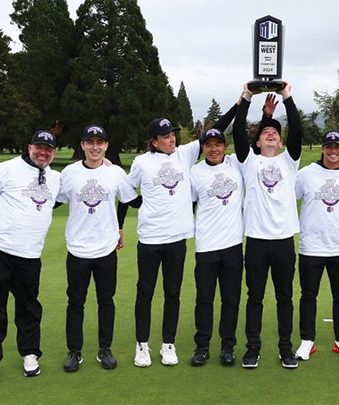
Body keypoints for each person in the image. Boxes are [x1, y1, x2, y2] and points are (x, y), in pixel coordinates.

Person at [0, 130, 61, 384]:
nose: (43, 152)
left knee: (29, 308)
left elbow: (47, 204)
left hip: (31, 254)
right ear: (29, 147)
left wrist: (106, 164)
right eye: (39, 147)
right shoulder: (5, 169)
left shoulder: (55, 179)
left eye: (49, 149)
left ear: (54, 152)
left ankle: (30, 353)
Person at [56, 125, 138, 372]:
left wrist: (120, 228)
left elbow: (131, 200)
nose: (95, 147)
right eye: (89, 142)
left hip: (106, 250)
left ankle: (105, 349)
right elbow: (53, 202)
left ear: (106, 146)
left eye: (99, 142)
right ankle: (75, 351)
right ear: (82, 145)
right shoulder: (69, 173)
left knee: (106, 301)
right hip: (78, 250)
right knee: (75, 303)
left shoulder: (115, 173)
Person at [232, 82, 302, 369]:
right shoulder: (249, 163)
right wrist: (247, 97)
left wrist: (287, 97)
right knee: (255, 298)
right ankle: (253, 348)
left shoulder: (290, 161)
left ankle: (286, 349)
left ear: (281, 142)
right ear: (257, 142)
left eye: (275, 133)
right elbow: (237, 132)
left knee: (285, 297)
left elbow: (297, 129)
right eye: (265, 133)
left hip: (284, 240)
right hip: (257, 241)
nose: (270, 134)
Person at [126, 117, 200, 367]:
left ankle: (168, 343)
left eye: (173, 135)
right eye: (167, 136)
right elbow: (127, 193)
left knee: (173, 293)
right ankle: (142, 345)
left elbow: (217, 129)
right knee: (145, 292)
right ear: (154, 141)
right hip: (150, 239)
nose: (172, 139)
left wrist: (242, 99)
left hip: (177, 239)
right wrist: (138, 207)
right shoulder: (141, 162)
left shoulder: (184, 154)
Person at [294, 130, 339, 362]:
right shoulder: (305, 174)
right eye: (329, 147)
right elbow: (286, 199)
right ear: (322, 149)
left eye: (338, 147)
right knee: (308, 295)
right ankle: (307, 341)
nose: (333, 151)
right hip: (311, 246)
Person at [188, 97, 245, 366]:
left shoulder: (237, 164)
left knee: (231, 299)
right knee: (205, 299)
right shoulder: (194, 172)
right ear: (203, 148)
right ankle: (202, 346)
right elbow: (186, 206)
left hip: (233, 244)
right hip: (206, 246)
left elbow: (243, 132)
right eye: (208, 145)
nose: (213, 149)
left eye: (218, 144)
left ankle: (228, 345)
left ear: (225, 146)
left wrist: (243, 102)